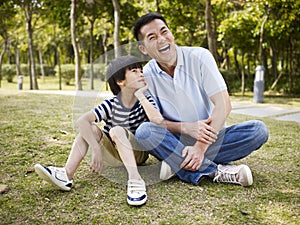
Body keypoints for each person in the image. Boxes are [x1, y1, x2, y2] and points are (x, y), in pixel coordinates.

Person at [132, 12, 269, 186]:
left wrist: (199, 148)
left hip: (212, 138)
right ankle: (216, 171)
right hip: (174, 140)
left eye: (164, 31)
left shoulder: (200, 57)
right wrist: (187, 128)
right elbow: (156, 122)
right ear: (143, 49)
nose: (161, 39)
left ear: (171, 33)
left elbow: (223, 104)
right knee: (145, 131)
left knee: (258, 130)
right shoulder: (146, 76)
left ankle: (176, 164)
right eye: (152, 37)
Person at [34, 55, 165, 206]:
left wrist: (141, 95)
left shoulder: (145, 99)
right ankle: (66, 174)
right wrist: (95, 148)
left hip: (137, 154)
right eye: (135, 71)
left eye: (141, 70)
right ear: (120, 81)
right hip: (114, 155)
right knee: (88, 128)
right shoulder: (111, 103)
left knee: (116, 130)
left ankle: (135, 179)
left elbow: (157, 121)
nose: (141, 73)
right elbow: (82, 121)